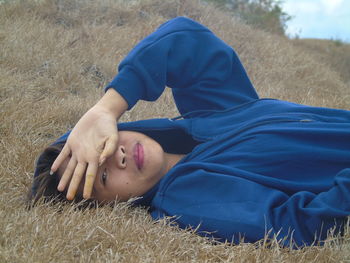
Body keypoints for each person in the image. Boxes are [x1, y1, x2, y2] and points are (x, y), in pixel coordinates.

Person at [30, 17, 350, 247]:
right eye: (102, 178)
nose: (117, 156)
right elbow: (299, 225)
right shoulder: (186, 196)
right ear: (112, 204)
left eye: (102, 146)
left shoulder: (210, 114)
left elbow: (184, 37)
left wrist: (104, 109)